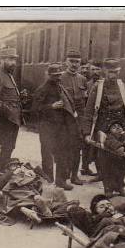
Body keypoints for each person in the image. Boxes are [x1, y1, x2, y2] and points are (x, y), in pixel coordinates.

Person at [83, 58, 125, 194]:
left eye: (116, 72)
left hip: (121, 126)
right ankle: (108, 187)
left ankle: (120, 186)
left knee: (121, 156)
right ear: (105, 71)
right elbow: (89, 111)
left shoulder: (123, 86)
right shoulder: (98, 87)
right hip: (104, 126)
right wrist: (87, 132)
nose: (113, 75)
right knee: (105, 159)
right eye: (110, 72)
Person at [32, 63, 79, 191]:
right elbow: (35, 109)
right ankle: (49, 181)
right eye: (55, 75)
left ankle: (61, 181)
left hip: (60, 126)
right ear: (49, 75)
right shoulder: (42, 89)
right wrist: (51, 107)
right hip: (47, 126)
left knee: (63, 153)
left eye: (59, 75)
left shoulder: (60, 87)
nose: (58, 77)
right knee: (47, 154)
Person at [0, 47, 22, 172]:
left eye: (14, 60)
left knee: (10, 147)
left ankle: (3, 174)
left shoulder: (8, 75)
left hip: (13, 119)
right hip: (5, 119)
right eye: (10, 59)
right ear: (2, 60)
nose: (13, 63)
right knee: (6, 147)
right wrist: (9, 111)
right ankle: (1, 174)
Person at [60, 48, 88, 185]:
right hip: (65, 120)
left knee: (77, 149)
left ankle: (74, 176)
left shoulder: (83, 79)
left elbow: (85, 101)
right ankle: (64, 176)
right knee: (64, 148)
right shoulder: (60, 78)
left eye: (77, 62)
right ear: (66, 62)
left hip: (78, 121)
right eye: (71, 61)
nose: (74, 64)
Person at [99, 121, 125, 197]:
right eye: (114, 127)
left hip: (121, 160)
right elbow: (109, 142)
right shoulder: (108, 136)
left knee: (121, 174)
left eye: (119, 126)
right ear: (109, 130)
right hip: (109, 160)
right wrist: (119, 146)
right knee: (108, 175)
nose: (117, 128)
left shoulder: (124, 137)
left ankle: (120, 188)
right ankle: (108, 189)